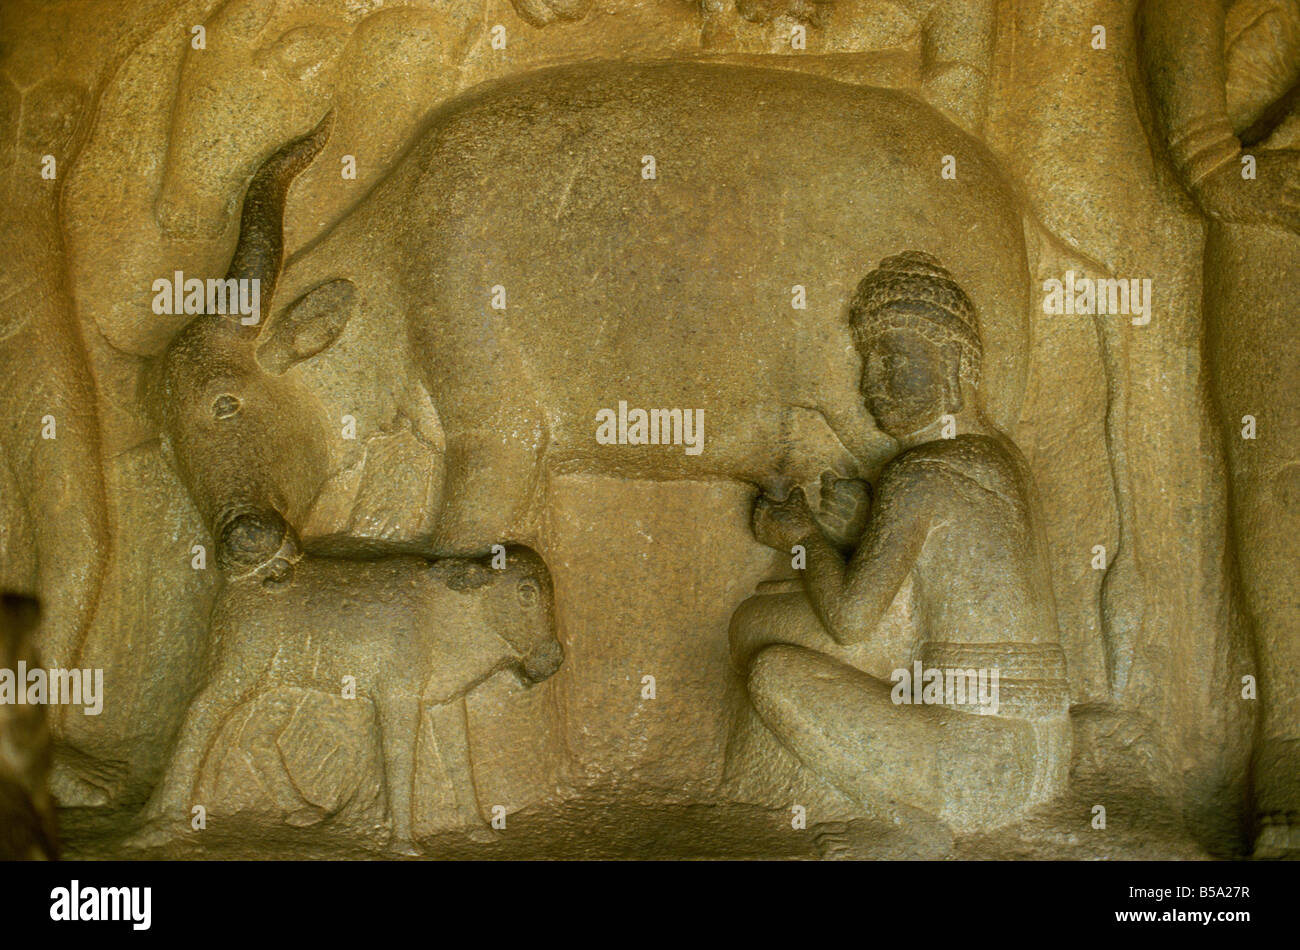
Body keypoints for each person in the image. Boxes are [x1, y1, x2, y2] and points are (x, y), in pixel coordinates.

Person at [729, 252, 1070, 846]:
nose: (870, 384)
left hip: (973, 768)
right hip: (1046, 755)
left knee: (771, 672)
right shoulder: (1004, 459)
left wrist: (804, 537)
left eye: (892, 358)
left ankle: (919, 832)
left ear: (954, 361)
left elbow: (851, 623)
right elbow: (961, 565)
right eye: (866, 362)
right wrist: (867, 525)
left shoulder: (919, 472)